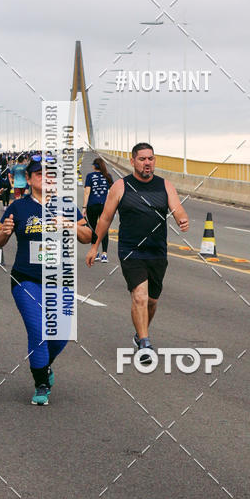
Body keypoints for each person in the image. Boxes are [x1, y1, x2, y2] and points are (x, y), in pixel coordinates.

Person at [0, 157, 92, 405]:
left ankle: (44, 366)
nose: (46, 178)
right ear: (28, 179)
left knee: (61, 335)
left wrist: (68, 224)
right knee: (38, 330)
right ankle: (41, 385)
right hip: (26, 279)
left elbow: (87, 235)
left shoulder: (66, 205)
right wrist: (3, 232)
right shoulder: (18, 207)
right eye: (39, 174)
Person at [86, 143, 189, 356]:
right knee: (140, 296)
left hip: (157, 251)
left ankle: (140, 334)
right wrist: (95, 246)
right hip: (131, 251)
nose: (147, 163)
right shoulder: (121, 187)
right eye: (142, 159)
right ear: (133, 161)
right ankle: (144, 343)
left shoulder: (165, 185)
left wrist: (182, 219)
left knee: (151, 301)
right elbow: (105, 218)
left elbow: (177, 208)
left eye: (150, 158)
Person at [83, 157, 113, 262]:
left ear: (94, 166)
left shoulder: (90, 176)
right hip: (105, 206)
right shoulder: (108, 176)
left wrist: (84, 207)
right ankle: (104, 254)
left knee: (93, 228)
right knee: (104, 229)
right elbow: (111, 193)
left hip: (92, 205)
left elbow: (87, 192)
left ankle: (94, 252)